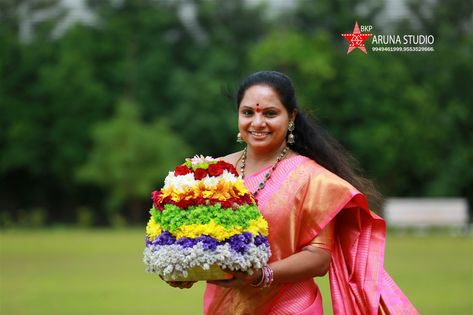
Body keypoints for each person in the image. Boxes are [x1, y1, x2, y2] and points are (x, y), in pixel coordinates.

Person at [168, 70, 418, 314]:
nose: (257, 123)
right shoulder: (212, 172)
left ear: (291, 117)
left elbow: (319, 258)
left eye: (270, 113)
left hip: (289, 306)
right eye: (247, 113)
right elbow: (197, 239)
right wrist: (183, 266)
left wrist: (262, 275)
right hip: (223, 306)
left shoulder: (312, 179)